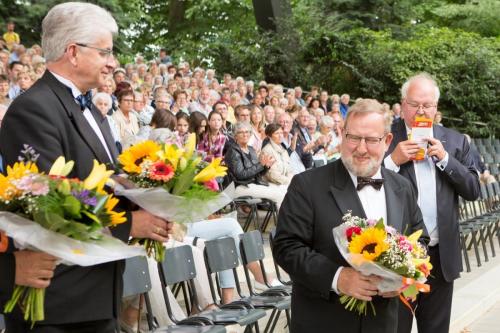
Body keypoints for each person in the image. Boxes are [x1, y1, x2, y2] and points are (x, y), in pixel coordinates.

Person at [0, 3, 172, 332]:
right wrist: (132, 224)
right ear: (73, 52)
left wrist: (151, 197)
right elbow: (50, 201)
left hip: (98, 293)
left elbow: (104, 182)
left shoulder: (92, 110)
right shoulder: (34, 109)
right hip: (58, 302)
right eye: (105, 51)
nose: (112, 62)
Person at [273, 98, 428, 333]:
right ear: (342, 135)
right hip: (324, 323)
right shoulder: (306, 185)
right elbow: (286, 247)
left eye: (371, 140)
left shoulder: (402, 187)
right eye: (354, 137)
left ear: (387, 141)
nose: (361, 148)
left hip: (386, 324)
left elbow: (421, 242)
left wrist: (404, 279)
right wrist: (337, 277)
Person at [383, 73, 480, 333]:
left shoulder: (456, 141)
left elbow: (473, 190)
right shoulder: (385, 138)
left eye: (427, 105)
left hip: (440, 255)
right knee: (395, 328)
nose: (420, 111)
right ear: (403, 105)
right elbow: (361, 182)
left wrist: (446, 159)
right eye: (414, 104)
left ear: (436, 108)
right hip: (396, 255)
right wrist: (392, 161)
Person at [225, 122, 287, 209]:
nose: (245, 134)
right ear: (235, 135)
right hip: (240, 186)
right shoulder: (233, 151)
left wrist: (266, 166)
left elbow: (257, 173)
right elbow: (240, 175)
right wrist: (261, 165)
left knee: (284, 190)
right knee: (278, 195)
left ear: (250, 134)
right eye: (241, 132)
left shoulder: (251, 149)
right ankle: (283, 221)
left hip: (253, 184)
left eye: (247, 132)